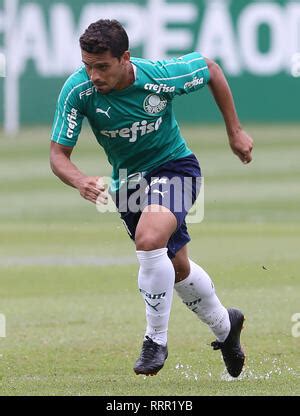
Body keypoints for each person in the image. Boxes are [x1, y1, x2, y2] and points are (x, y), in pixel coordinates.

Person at [50, 19, 253, 378]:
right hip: (128, 183)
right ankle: (226, 327)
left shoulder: (160, 76)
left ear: (125, 58)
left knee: (148, 239)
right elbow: (58, 155)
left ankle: (155, 340)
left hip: (174, 167)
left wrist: (234, 131)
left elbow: (210, 69)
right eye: (87, 66)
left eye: (102, 66)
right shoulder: (78, 91)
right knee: (175, 268)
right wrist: (79, 180)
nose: (93, 75)